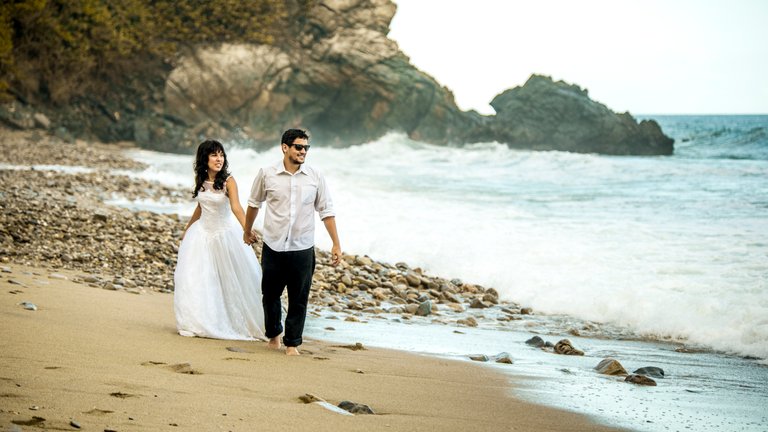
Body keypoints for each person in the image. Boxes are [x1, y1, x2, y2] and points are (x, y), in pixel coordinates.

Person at [243, 129, 341, 356]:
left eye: (306, 147)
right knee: (270, 294)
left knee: (299, 298)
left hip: (302, 247)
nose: (303, 151)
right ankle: (274, 335)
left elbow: (326, 211)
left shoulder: (315, 176)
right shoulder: (267, 174)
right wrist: (247, 230)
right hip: (274, 245)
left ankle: (292, 343)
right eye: (299, 147)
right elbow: (253, 203)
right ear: (284, 147)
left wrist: (336, 243)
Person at [174, 139, 266, 340]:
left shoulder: (228, 181)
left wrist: (247, 229)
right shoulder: (201, 179)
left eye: (221, 155)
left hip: (225, 235)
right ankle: (197, 320)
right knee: (199, 279)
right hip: (201, 236)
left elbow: (236, 208)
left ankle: (232, 321)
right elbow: (200, 207)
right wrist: (187, 231)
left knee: (230, 279)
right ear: (204, 158)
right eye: (214, 155)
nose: (219, 159)